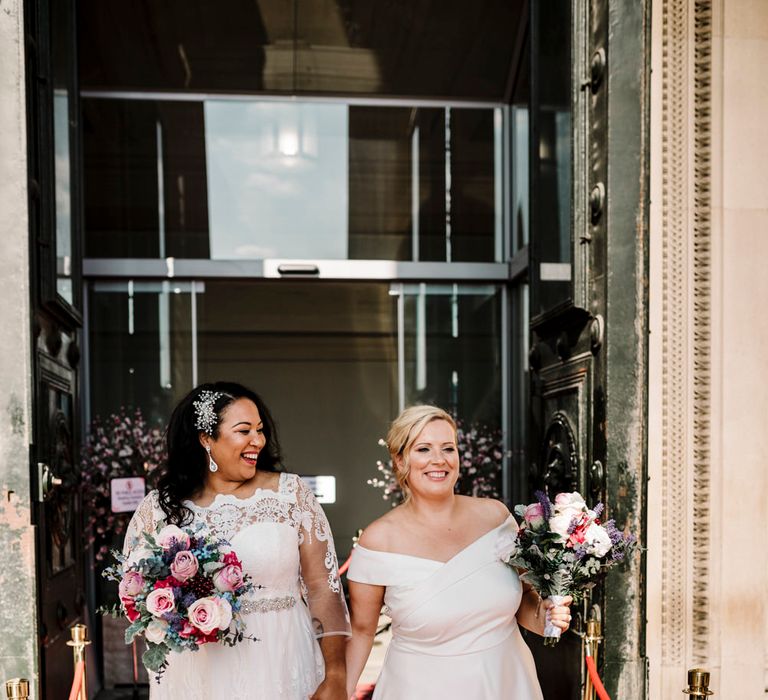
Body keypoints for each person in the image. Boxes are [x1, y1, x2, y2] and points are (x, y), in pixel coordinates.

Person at [123, 382, 350, 700]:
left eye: (260, 429)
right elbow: (136, 597)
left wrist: (337, 674)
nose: (258, 440)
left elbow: (324, 588)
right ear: (206, 439)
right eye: (244, 431)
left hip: (282, 661)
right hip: (198, 673)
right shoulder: (158, 510)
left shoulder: (290, 494)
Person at [345, 405, 572, 700]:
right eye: (423, 449)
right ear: (400, 461)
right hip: (420, 689)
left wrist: (547, 618)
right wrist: (340, 691)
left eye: (448, 448)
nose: (438, 460)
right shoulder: (378, 541)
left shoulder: (496, 518)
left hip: (506, 683)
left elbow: (525, 602)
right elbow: (362, 633)